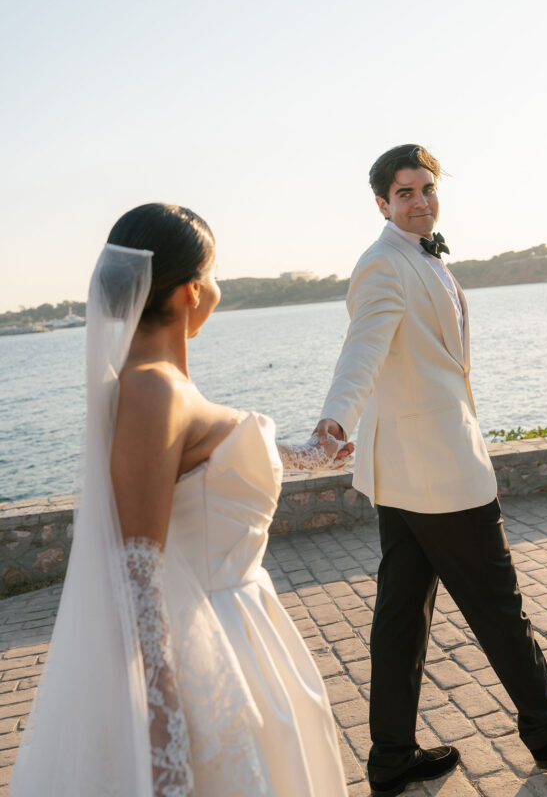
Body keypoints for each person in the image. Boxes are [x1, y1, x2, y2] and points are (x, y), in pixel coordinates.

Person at [315, 144, 547, 797]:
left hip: (407, 471)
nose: (419, 201)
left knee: (400, 617)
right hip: (434, 474)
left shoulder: (420, 257)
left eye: (426, 188)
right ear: (381, 204)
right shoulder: (382, 264)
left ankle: (390, 758)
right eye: (403, 193)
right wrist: (333, 422)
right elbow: (363, 349)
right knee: (497, 603)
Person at [12, 203, 350, 797]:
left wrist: (306, 453)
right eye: (216, 273)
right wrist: (163, 728)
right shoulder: (151, 388)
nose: (218, 287)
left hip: (245, 632)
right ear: (193, 290)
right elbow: (136, 570)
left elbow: (208, 462)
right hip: (208, 646)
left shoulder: (163, 382)